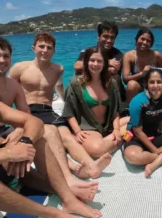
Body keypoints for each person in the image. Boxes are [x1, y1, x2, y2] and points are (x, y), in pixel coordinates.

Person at [0, 41, 101, 218]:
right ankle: (52, 214)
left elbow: (33, 122)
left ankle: (68, 198)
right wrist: (6, 153)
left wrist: (23, 142)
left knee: (38, 138)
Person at [9, 33, 100, 199]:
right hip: (28, 111)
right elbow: (8, 91)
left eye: (49, 47)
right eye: (41, 46)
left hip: (48, 110)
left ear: (54, 51)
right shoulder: (19, 68)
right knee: (50, 135)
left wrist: (64, 101)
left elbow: (59, 86)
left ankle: (92, 166)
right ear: (33, 48)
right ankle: (70, 170)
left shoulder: (58, 69)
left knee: (67, 136)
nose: (45, 50)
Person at [63, 47, 129, 158]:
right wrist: (77, 131)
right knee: (97, 150)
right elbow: (69, 112)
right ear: (86, 62)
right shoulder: (76, 84)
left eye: (99, 61)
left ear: (104, 64)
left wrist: (117, 130)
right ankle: (120, 140)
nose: (95, 64)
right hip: (88, 128)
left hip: (108, 127)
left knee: (137, 121)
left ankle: (107, 140)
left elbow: (115, 111)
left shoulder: (111, 83)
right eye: (92, 60)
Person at [122, 68, 162, 178]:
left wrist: (160, 138)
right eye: (152, 82)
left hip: (154, 136)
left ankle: (153, 164)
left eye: (159, 82)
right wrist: (155, 150)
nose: (155, 85)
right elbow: (137, 132)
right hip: (136, 138)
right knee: (132, 157)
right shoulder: (138, 102)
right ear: (146, 84)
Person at [73, 21, 126, 102]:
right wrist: (107, 62)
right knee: (77, 76)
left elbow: (113, 70)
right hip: (92, 88)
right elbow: (77, 66)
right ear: (98, 36)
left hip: (112, 93)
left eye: (112, 38)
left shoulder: (118, 55)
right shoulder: (89, 51)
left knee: (113, 77)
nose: (108, 40)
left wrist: (91, 66)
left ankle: (112, 108)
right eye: (105, 36)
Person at [122, 27, 162, 102]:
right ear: (136, 39)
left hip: (154, 87)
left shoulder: (156, 56)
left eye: (148, 41)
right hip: (138, 88)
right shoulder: (129, 56)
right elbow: (125, 79)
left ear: (151, 44)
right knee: (131, 85)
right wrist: (142, 74)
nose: (145, 42)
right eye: (142, 39)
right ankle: (132, 110)